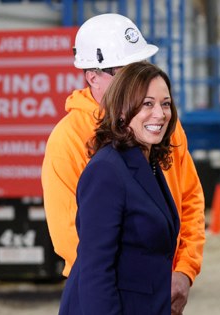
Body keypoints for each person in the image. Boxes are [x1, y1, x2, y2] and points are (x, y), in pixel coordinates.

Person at [42, 13, 205, 315]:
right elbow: (82, 250)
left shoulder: (159, 127)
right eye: (126, 72)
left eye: (140, 68)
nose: (139, 83)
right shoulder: (69, 142)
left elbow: (190, 199)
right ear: (93, 77)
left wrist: (184, 270)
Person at [59, 61, 179, 314]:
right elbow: (95, 270)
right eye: (147, 103)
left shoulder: (148, 163)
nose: (160, 114)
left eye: (165, 103)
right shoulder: (107, 170)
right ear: (123, 109)